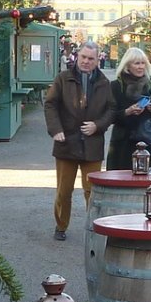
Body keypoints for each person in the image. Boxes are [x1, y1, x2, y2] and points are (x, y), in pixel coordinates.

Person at [43, 42, 115, 241]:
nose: (86, 61)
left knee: (92, 191)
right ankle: (61, 225)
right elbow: (50, 105)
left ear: (97, 59)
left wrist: (98, 125)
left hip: (92, 145)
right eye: (83, 57)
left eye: (91, 58)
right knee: (64, 191)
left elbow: (111, 110)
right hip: (66, 142)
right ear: (77, 56)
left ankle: (94, 227)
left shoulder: (103, 82)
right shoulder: (63, 79)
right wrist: (55, 130)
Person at [105, 46, 151, 170]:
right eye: (137, 63)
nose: (141, 67)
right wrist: (128, 111)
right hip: (123, 143)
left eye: (143, 63)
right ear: (127, 65)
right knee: (121, 182)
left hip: (147, 141)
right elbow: (110, 115)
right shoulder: (116, 85)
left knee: (146, 181)